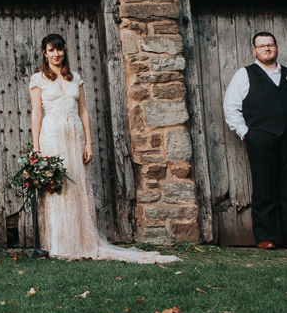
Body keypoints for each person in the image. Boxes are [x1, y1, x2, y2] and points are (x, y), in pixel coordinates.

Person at [29, 33, 179, 263]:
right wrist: (36, 147)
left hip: (74, 135)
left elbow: (84, 112)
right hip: (52, 136)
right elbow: (37, 114)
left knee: (77, 187)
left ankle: (80, 241)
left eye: (59, 50)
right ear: (44, 53)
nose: (56, 54)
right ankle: (58, 243)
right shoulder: (38, 79)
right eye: (51, 50)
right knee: (57, 188)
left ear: (64, 51)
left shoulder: (74, 78)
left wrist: (88, 142)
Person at [222, 31, 287, 250]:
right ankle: (265, 238)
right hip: (261, 140)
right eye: (262, 46)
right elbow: (231, 107)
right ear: (254, 50)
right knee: (264, 188)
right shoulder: (244, 74)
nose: (267, 49)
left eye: (270, 45)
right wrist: (246, 133)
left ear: (277, 47)